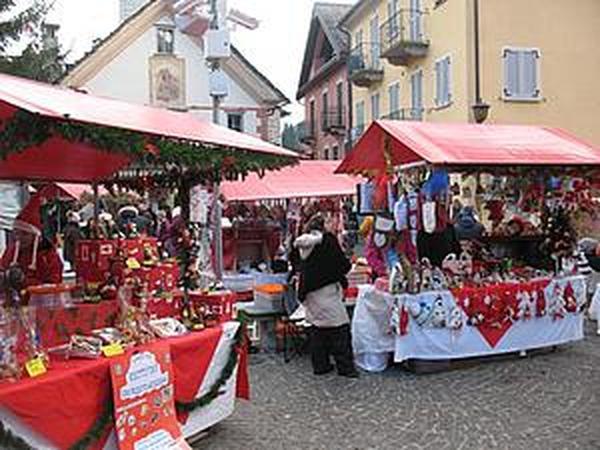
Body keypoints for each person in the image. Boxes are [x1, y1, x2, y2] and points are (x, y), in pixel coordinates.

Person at [293, 214, 358, 378]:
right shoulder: (328, 240)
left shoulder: (302, 243)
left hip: (309, 292)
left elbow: (295, 262)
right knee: (340, 327)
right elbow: (341, 265)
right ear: (324, 225)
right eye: (330, 221)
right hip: (326, 290)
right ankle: (346, 367)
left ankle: (320, 365)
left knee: (318, 327)